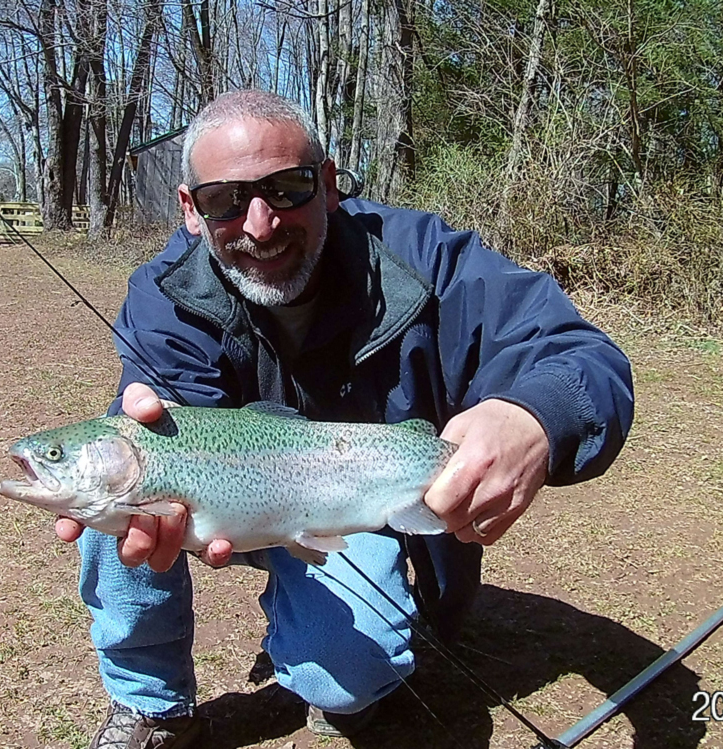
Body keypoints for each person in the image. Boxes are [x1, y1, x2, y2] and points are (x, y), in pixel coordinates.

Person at [57, 89, 634, 749]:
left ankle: (349, 661)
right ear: (191, 209)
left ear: (328, 184)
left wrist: (533, 417)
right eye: (225, 200)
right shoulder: (165, 295)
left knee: (346, 678)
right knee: (113, 490)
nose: (260, 224)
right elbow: (158, 426)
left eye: (287, 188)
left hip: (360, 508)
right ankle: (153, 704)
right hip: (232, 496)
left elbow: (581, 355)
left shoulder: (424, 258)